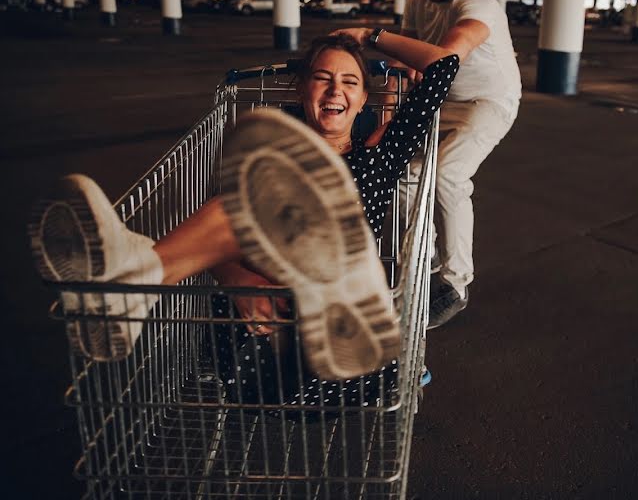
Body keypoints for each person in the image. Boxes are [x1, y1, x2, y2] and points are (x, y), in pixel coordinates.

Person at [29, 32, 459, 392]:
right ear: (300, 88)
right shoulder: (269, 156)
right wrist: (237, 280)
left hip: (339, 367)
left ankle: (137, 276)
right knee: (244, 204)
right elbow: (217, 242)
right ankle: (136, 279)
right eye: (322, 78)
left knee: (257, 201)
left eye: (349, 82)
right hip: (255, 356)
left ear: (363, 99)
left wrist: (371, 37)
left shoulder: (380, 154)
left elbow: (444, 65)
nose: (335, 90)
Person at [397, 0, 521, 329]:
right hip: (443, 101)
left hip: (489, 101)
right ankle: (426, 258)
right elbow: (406, 53)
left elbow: (444, 57)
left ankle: (455, 282)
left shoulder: (478, 2)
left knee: (447, 175)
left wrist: (369, 37)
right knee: (405, 175)